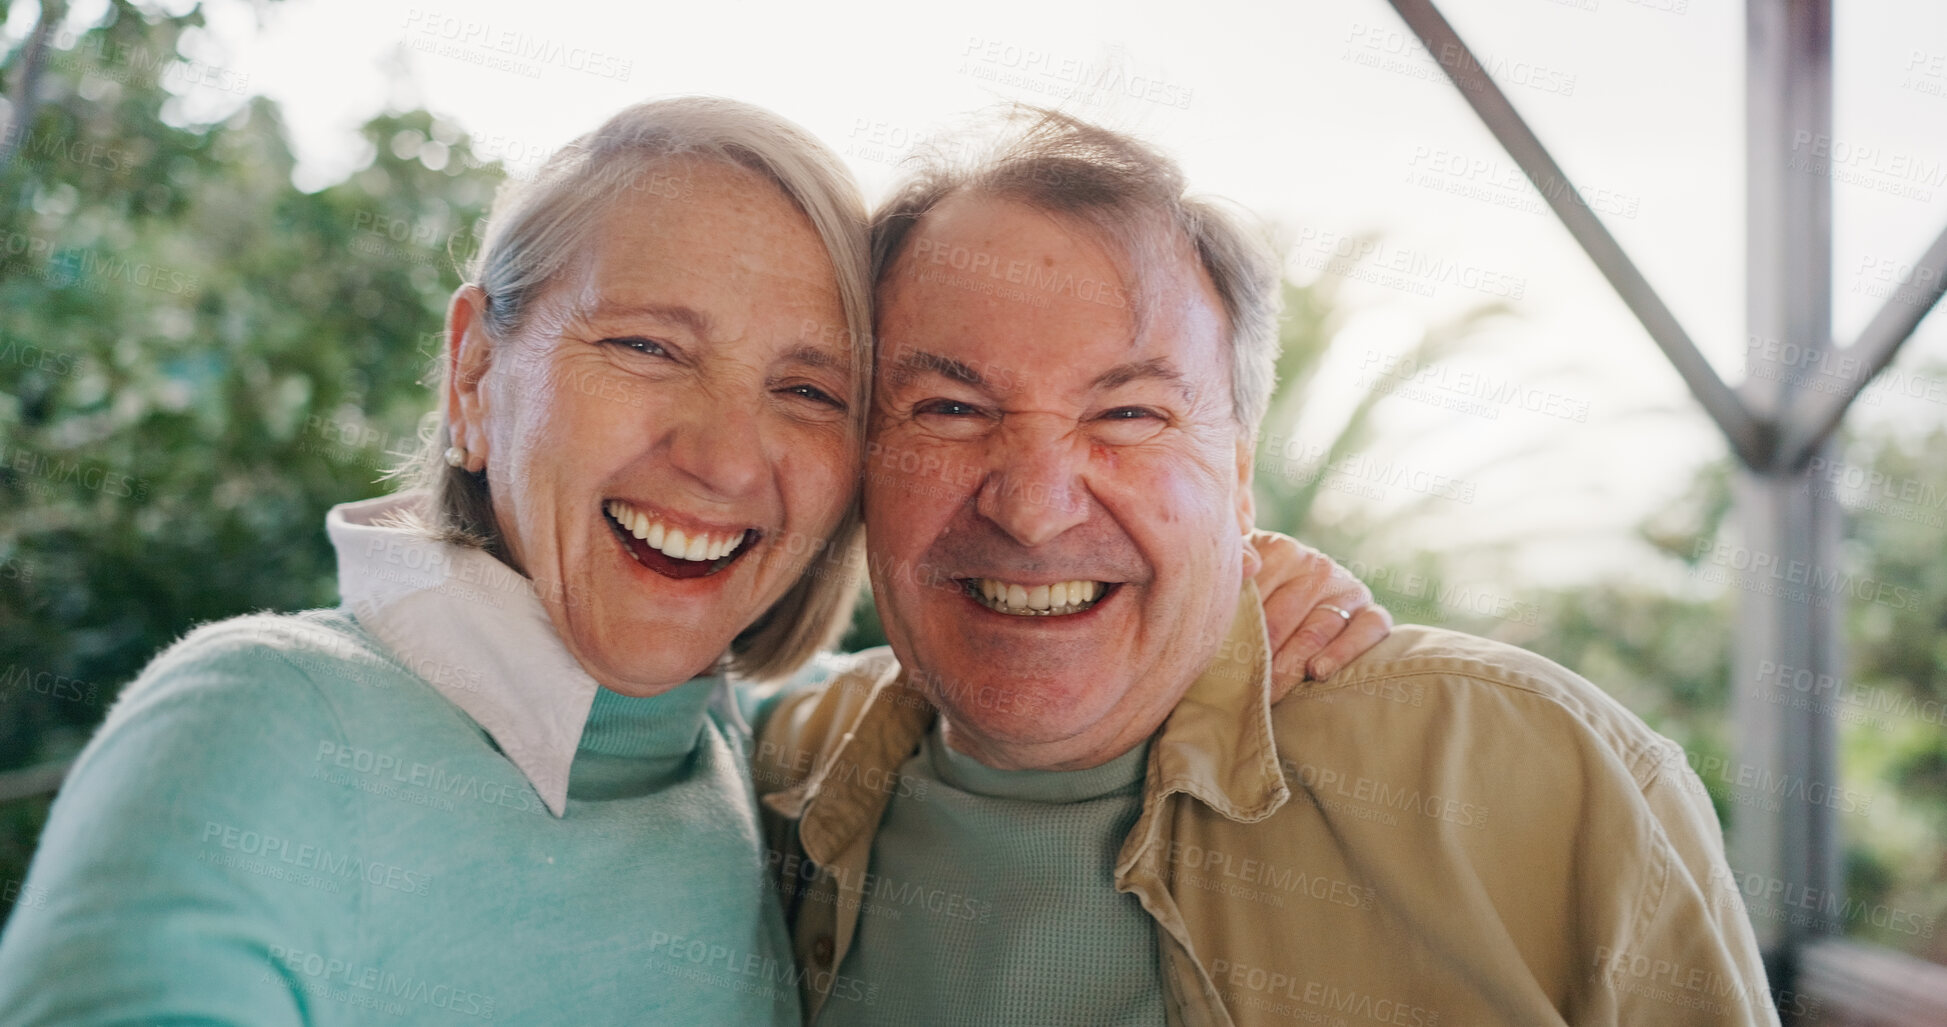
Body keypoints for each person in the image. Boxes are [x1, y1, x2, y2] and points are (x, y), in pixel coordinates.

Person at [0, 97, 1384, 1024]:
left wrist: (1223, 585)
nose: (726, 458)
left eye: (806, 388)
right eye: (648, 347)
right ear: (476, 370)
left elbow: (1006, 661)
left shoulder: (758, 758)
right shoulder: (257, 723)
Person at [752, 109, 1780, 1027]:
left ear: (1238, 479)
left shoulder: (1533, 774)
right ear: (860, 467)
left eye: (1128, 416)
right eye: (950, 410)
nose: (1032, 505)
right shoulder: (780, 768)